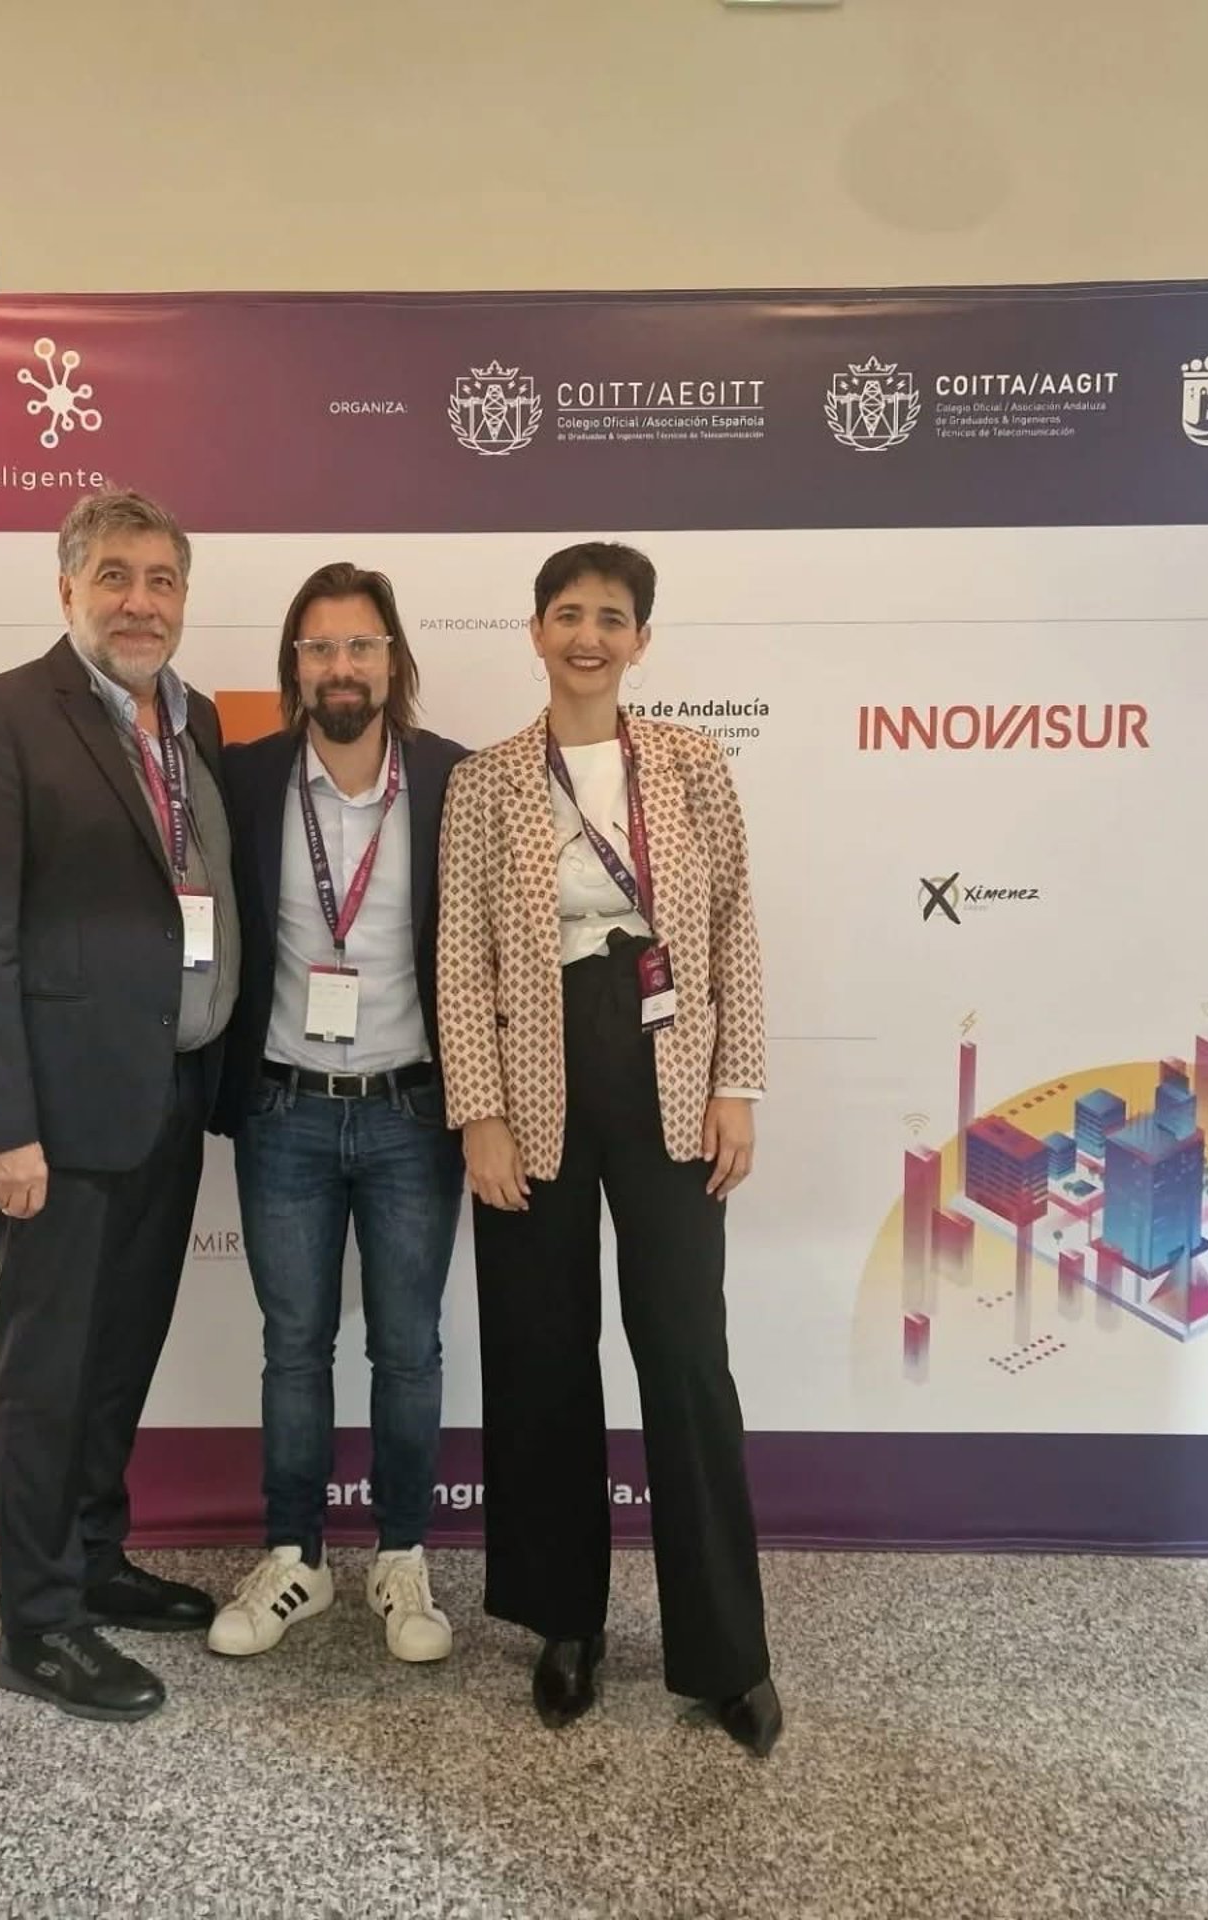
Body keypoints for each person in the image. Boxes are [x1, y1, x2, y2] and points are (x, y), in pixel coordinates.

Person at [436, 541, 782, 1757]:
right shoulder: (484, 781)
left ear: (641, 640)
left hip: (669, 1069)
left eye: (613, 618)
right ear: (536, 631)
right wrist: (479, 1113)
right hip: (533, 1071)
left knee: (686, 1355)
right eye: (569, 614)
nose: (589, 636)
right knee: (540, 1351)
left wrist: (736, 1085)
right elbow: (461, 955)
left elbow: (733, 928)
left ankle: (726, 1653)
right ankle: (564, 1623)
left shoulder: (692, 763)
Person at [0, 488, 237, 1722]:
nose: (139, 602)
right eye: (115, 576)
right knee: (48, 1373)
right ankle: (38, 1621)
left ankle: (94, 1558)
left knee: (118, 1359)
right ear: (68, 589)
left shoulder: (195, 722)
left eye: (161, 580)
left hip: (168, 1097)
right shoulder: (1, 717)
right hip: (51, 1122)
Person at [206, 562, 468, 1663]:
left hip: (414, 1113)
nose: (341, 666)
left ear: (393, 661)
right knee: (293, 1348)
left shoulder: (453, 780)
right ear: (295, 667)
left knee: (408, 1350)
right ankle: (296, 1558)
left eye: (360, 645)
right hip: (285, 1112)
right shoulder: (243, 778)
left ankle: (401, 1557)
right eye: (319, 648)